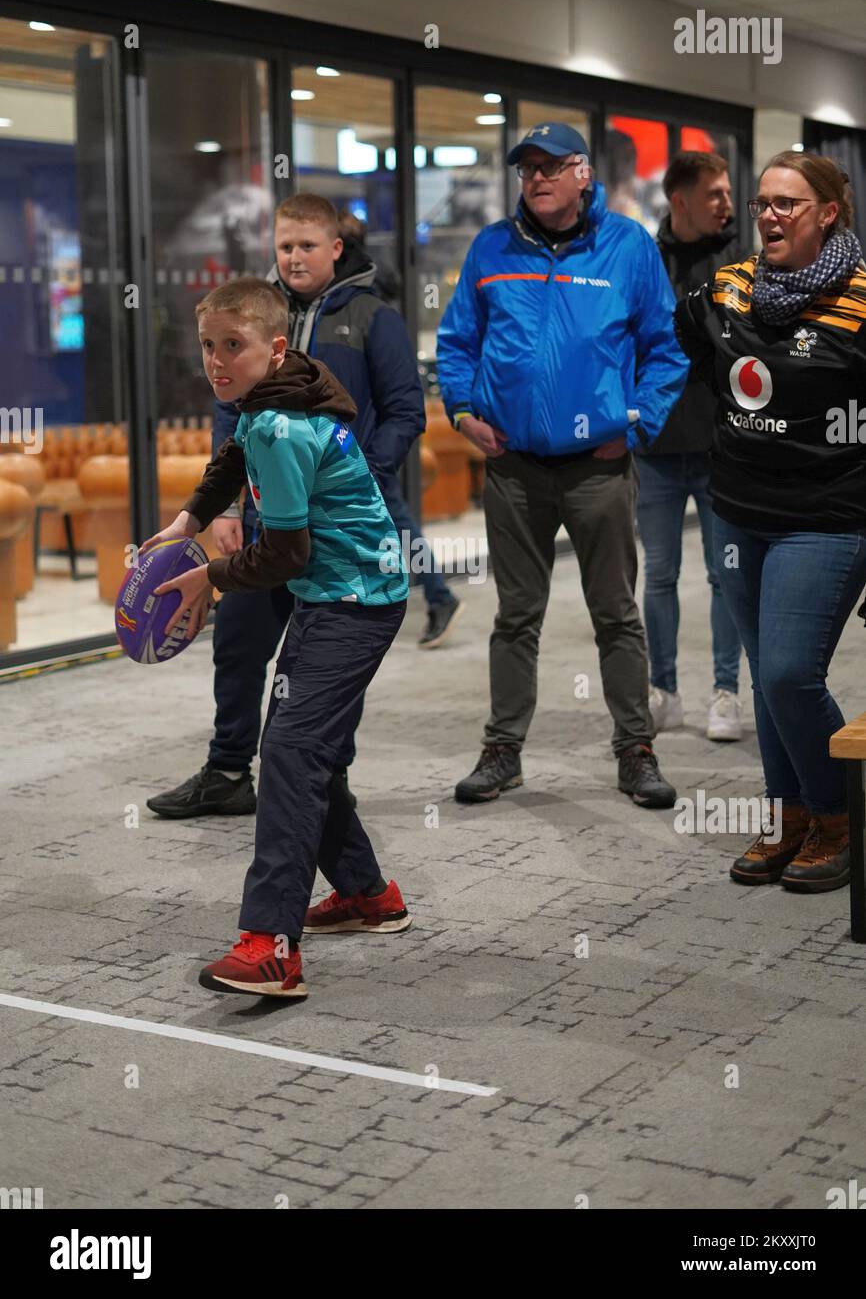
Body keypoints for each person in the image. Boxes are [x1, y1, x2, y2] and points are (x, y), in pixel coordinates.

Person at [142, 278, 412, 998]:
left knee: (289, 751)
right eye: (207, 346)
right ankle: (366, 895)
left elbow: (285, 553)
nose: (217, 361)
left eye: (234, 345)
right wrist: (189, 523)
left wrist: (213, 578)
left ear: (277, 348)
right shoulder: (268, 403)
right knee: (304, 752)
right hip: (331, 595)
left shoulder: (288, 427)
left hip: (355, 600)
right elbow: (231, 458)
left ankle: (270, 946)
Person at [436, 122, 688, 808]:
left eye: (552, 166)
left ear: (583, 174)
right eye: (527, 169)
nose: (537, 178)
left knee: (615, 612)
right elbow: (458, 340)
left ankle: (635, 748)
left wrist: (634, 425)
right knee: (516, 615)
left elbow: (665, 350)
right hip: (514, 466)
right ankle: (503, 751)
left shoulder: (627, 246)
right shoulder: (493, 247)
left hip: (598, 467)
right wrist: (461, 412)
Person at [675, 151, 866, 892]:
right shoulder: (727, 286)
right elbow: (692, 349)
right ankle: (788, 815)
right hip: (738, 514)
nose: (770, 216)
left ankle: (840, 812)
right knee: (764, 678)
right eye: (761, 204)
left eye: (788, 203)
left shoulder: (859, 298)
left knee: (790, 671)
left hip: (828, 517)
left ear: (828, 213)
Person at [271, 194, 463, 650]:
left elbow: (404, 407)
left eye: (308, 245)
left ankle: (435, 594)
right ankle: (436, 594)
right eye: (286, 246)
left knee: (393, 523)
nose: (295, 257)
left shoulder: (370, 308)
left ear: (338, 247)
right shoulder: (268, 311)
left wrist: (366, 469)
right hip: (288, 484)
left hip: (354, 464)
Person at [637, 151, 744, 742]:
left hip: (720, 449)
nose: (727, 204)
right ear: (680, 201)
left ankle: (726, 693)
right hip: (654, 450)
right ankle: (666, 691)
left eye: (728, 193)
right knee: (659, 575)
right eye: (715, 194)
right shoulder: (644, 261)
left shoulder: (740, 261)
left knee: (725, 576)